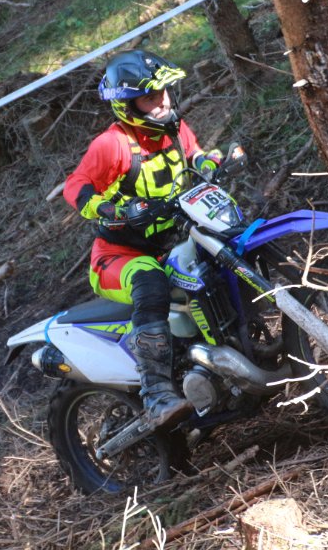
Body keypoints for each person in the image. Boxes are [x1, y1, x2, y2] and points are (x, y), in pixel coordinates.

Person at [63, 50, 222, 428]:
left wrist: (211, 163)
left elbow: (195, 155)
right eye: (150, 97)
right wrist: (110, 209)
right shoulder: (113, 144)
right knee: (150, 283)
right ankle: (157, 395)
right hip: (120, 255)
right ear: (127, 104)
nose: (162, 101)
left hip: (175, 241)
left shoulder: (174, 127)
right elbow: (75, 187)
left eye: (163, 92)